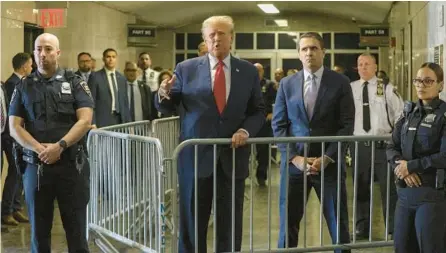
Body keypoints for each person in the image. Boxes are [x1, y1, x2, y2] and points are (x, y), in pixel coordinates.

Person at [155, 15, 265, 253]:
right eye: (212, 34)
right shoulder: (186, 69)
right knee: (192, 220)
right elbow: (167, 106)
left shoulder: (247, 71)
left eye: (222, 34)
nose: (217, 38)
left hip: (232, 157)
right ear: (205, 39)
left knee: (230, 222)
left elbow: (258, 111)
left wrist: (245, 130)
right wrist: (163, 92)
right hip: (194, 158)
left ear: (231, 38)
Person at [8, 33, 94, 252]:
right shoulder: (23, 86)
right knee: (39, 234)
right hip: (36, 168)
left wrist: (60, 146)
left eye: (47, 49)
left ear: (57, 52)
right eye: (38, 49)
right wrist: (39, 149)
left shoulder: (74, 82)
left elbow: (85, 120)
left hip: (71, 166)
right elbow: (14, 127)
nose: (42, 54)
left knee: (76, 233)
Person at [272, 32, 354, 252]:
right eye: (304, 49)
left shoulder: (341, 83)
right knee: (288, 223)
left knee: (338, 222)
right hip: (295, 166)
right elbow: (279, 125)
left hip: (329, 164)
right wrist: (294, 158)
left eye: (314, 48)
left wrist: (327, 157)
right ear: (299, 54)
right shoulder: (287, 84)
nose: (309, 53)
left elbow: (346, 125)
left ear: (323, 52)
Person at [387, 62, 446, 253]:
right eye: (418, 80)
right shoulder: (408, 113)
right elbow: (391, 147)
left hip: (431, 195)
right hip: (404, 194)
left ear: (440, 85)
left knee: (430, 247)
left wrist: (411, 166)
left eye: (428, 81)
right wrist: (402, 168)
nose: (421, 85)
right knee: (402, 247)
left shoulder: (443, 116)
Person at [350, 53, 402, 239]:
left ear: (375, 66)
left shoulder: (386, 87)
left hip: (383, 146)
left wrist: (395, 140)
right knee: (360, 188)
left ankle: (394, 228)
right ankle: (361, 227)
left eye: (367, 64)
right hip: (359, 146)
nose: (363, 67)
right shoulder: (351, 89)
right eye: (360, 64)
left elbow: (400, 115)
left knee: (389, 189)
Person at [2, 52, 32, 226]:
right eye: (30, 64)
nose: (32, 67)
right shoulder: (13, 84)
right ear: (23, 66)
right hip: (12, 135)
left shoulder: (21, 82)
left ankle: (16, 207)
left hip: (21, 134)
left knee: (20, 170)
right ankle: (6, 211)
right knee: (14, 171)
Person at [88, 48, 131, 128]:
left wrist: (129, 123)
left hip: (120, 120)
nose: (111, 59)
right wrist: (93, 122)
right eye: (108, 57)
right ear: (103, 59)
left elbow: (125, 103)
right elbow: (90, 102)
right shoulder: (95, 77)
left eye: (113, 57)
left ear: (116, 59)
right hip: (102, 120)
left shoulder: (122, 78)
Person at [253, 63, 276, 187]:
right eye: (254, 70)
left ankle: (261, 176)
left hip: (264, 122)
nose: (257, 72)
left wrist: (273, 112)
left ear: (263, 71)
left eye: (259, 70)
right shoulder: (247, 83)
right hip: (250, 122)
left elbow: (277, 100)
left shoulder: (270, 85)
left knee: (263, 151)